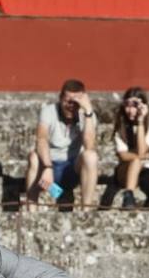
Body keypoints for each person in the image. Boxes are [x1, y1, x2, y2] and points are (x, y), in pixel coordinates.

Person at [25, 79, 99, 209]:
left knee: (91, 156)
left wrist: (87, 111)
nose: (71, 105)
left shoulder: (88, 114)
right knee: (33, 157)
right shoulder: (48, 111)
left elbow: (89, 146)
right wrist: (48, 167)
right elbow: (41, 139)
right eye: (67, 101)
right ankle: (31, 210)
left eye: (75, 102)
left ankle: (86, 210)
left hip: (74, 170)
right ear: (60, 98)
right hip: (50, 174)